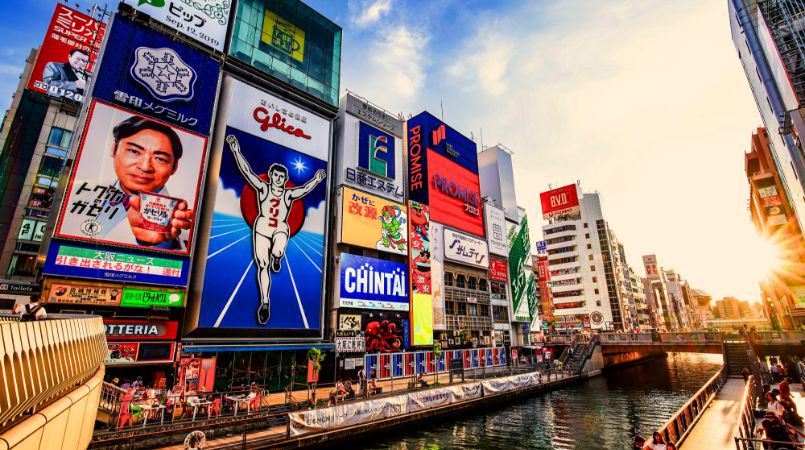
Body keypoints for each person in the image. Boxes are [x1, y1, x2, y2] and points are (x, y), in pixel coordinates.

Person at [226, 134, 326, 324]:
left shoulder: (288, 194)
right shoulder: (263, 189)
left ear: (285, 178)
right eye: (276, 175)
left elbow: (304, 189)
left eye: (282, 176)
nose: (278, 178)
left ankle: (278, 256)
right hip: (262, 227)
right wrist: (235, 150)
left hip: (280, 227)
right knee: (263, 265)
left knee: (278, 249)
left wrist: (317, 179)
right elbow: (247, 172)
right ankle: (265, 302)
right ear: (271, 176)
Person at [70, 116, 194, 250]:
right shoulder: (78, 193)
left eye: (159, 158)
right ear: (113, 149)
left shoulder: (181, 220)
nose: (145, 167)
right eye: (134, 151)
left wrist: (157, 243)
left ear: (174, 167)